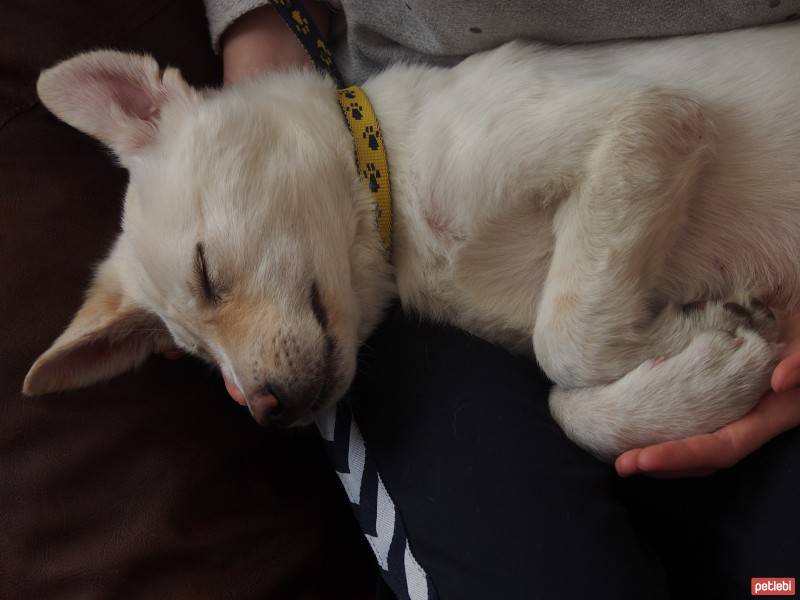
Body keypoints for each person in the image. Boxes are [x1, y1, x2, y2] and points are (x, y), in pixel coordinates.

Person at [204, 2, 800, 597]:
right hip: (394, 162)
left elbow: (657, 125)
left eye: (210, 283)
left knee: (778, 583)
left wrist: (586, 353)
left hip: (702, 115)